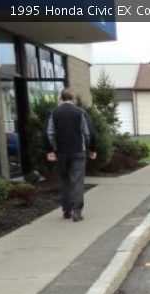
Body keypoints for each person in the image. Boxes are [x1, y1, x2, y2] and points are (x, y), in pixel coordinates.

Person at [46, 88, 97, 222]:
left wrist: (51, 150)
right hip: (78, 151)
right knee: (77, 181)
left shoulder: (54, 113)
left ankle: (66, 210)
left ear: (61, 98)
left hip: (61, 152)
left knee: (65, 180)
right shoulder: (81, 112)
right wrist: (92, 149)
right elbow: (88, 133)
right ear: (73, 99)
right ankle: (77, 211)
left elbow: (49, 133)